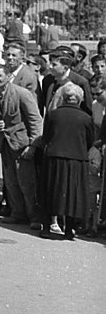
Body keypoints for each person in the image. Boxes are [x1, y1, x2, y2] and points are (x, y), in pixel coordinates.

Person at [0, 64, 43, 228]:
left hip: (22, 144)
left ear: (8, 76)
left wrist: (33, 145)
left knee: (27, 182)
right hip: (5, 144)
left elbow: (35, 120)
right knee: (11, 182)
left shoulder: (22, 94)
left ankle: (35, 217)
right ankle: (17, 213)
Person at [38, 82, 95, 240]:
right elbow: (90, 140)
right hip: (76, 159)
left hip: (54, 157)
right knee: (72, 195)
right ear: (79, 99)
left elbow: (46, 136)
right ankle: (69, 230)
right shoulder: (86, 118)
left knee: (51, 191)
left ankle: (46, 227)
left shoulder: (53, 114)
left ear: (63, 98)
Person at [42, 48, 93, 116]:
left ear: (65, 68)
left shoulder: (80, 82)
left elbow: (88, 108)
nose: (50, 67)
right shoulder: (47, 80)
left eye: (54, 65)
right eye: (50, 63)